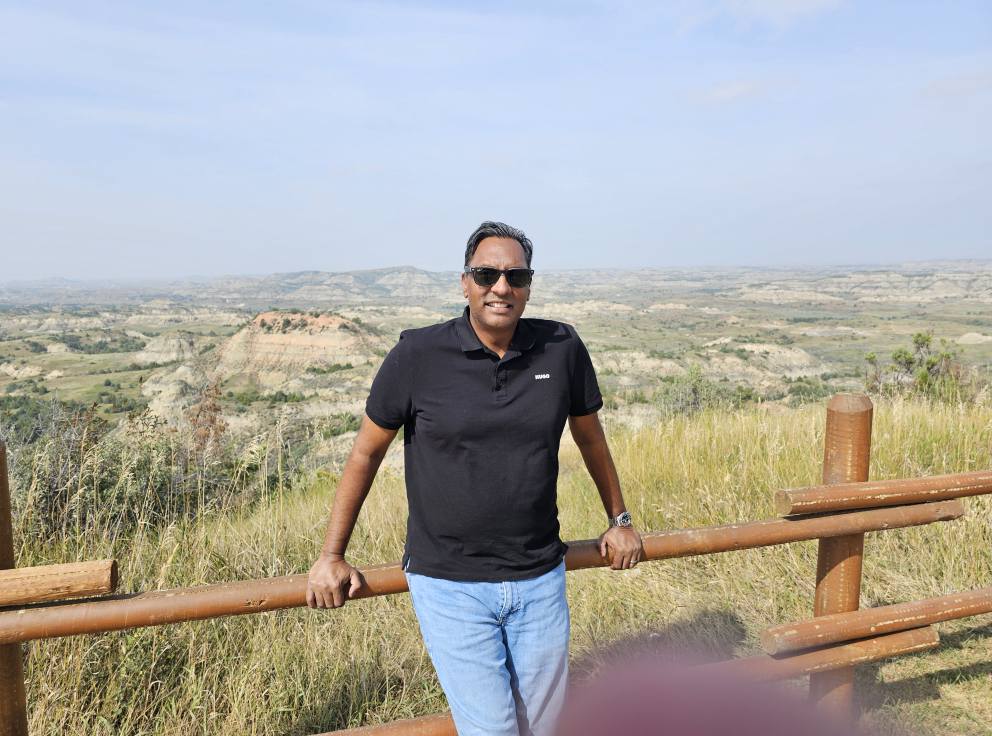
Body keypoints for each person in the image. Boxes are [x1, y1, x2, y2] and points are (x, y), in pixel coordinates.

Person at [306, 221, 644, 735]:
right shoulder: (417, 355)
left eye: (516, 275)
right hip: (450, 584)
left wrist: (618, 520)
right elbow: (364, 455)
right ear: (464, 282)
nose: (501, 287)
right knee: (493, 730)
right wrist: (332, 555)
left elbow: (591, 438)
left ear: (529, 285)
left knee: (544, 728)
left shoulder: (561, 346)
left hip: (539, 577)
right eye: (486, 274)